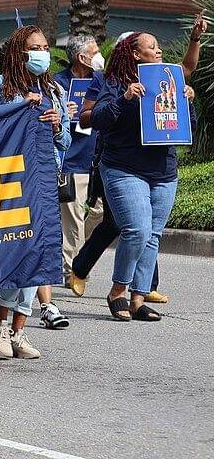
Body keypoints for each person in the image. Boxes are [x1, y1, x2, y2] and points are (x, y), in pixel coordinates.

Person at [0, 26, 71, 358]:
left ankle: (18, 329)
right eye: (34, 48)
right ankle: (0, 322)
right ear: (19, 52)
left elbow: (66, 141)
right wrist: (16, 110)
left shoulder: (54, 90)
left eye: (45, 47)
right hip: (11, 181)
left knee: (38, 254)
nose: (41, 53)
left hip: (43, 180)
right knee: (17, 252)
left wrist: (56, 125)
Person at [91, 32, 195, 323]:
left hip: (163, 171)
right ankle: (117, 291)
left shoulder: (171, 81)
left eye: (159, 45)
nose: (159, 50)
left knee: (153, 235)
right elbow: (97, 119)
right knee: (137, 230)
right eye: (153, 46)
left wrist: (187, 101)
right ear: (136, 54)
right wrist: (125, 98)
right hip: (124, 168)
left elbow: (188, 127)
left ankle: (138, 299)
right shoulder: (116, 82)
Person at [54, 35, 107, 284]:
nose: (99, 56)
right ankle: (70, 271)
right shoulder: (58, 83)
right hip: (72, 161)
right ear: (81, 57)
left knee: (100, 213)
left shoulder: (103, 80)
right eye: (95, 52)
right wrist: (63, 113)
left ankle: (79, 257)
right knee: (72, 219)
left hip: (98, 160)